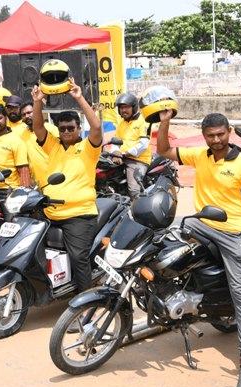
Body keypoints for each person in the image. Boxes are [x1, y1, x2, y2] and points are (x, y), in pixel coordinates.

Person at [155, 109, 241, 368]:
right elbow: (164, 150)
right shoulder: (200, 155)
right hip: (202, 223)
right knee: (164, 242)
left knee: (240, 292)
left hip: (235, 231)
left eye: (220, 134)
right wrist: (165, 122)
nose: (216, 140)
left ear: (229, 132)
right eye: (210, 136)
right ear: (203, 136)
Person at [30, 78, 101, 292]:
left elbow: (96, 126)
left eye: (71, 127)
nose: (67, 131)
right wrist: (37, 101)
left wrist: (79, 98)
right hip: (50, 211)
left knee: (78, 257)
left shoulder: (88, 148)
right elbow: (37, 126)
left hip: (79, 215)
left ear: (79, 128)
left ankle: (85, 301)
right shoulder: (53, 145)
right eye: (62, 128)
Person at [112, 92, 151, 198]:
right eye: (121, 108)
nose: (123, 110)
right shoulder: (121, 124)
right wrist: (115, 151)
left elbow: (143, 145)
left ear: (133, 107)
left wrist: (123, 153)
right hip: (122, 158)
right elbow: (116, 141)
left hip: (138, 160)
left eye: (126, 107)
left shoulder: (143, 121)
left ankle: (137, 205)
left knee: (133, 190)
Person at [18, 101, 59, 188]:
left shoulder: (51, 129)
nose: (27, 116)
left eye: (29, 112)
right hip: (37, 184)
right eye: (23, 115)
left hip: (55, 180)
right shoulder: (22, 135)